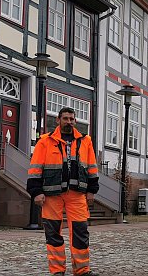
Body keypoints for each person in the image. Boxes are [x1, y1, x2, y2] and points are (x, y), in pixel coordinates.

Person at [27, 107, 99, 276]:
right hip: (51, 194)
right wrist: (36, 191)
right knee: (53, 233)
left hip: (77, 194)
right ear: (58, 120)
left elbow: (92, 167)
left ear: (75, 121)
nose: (69, 122)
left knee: (80, 231)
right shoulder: (45, 141)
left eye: (71, 119)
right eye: (65, 118)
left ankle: (82, 270)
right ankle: (57, 271)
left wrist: (92, 190)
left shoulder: (85, 141)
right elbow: (35, 168)